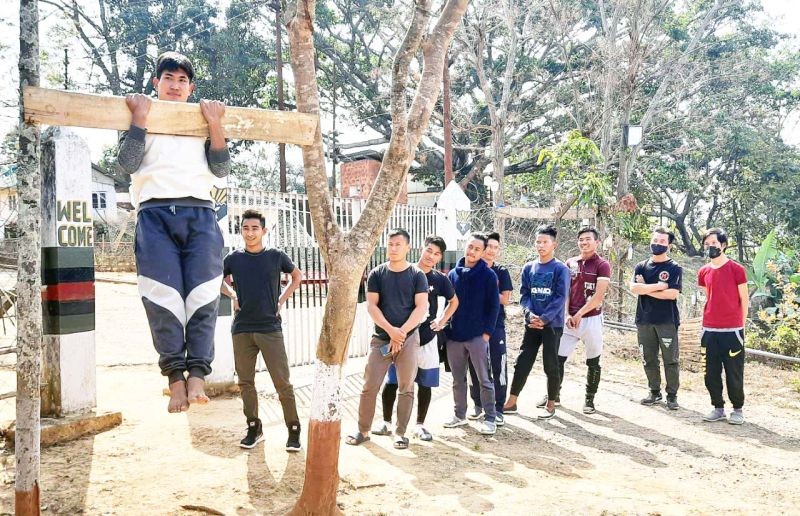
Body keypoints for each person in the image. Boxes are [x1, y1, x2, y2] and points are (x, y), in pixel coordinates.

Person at [115, 51, 229, 413]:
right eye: (169, 78)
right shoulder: (140, 112)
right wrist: (140, 118)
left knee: (203, 294)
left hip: (200, 213)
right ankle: (174, 379)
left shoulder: (202, 116)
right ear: (156, 83)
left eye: (182, 80)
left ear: (191, 87)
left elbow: (221, 168)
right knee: (161, 296)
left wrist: (215, 123)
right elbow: (127, 164)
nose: (176, 85)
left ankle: (198, 372)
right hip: (155, 214)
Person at [221, 210, 303, 450]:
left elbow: (297, 276)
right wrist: (233, 294)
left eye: (255, 228)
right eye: (246, 228)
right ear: (241, 231)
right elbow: (217, 278)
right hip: (242, 328)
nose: (250, 233)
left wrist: (281, 300)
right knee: (246, 382)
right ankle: (254, 428)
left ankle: (294, 430)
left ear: (264, 231)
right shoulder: (234, 258)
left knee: (282, 383)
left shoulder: (276, 256)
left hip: (269, 328)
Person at [346, 229, 429, 449]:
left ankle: (400, 433)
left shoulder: (417, 274)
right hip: (381, 339)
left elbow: (421, 307)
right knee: (369, 386)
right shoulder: (377, 273)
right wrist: (391, 331)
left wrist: (401, 333)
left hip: (408, 338)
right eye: (390, 244)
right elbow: (372, 306)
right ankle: (363, 430)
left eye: (398, 244)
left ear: (408, 247)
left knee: (406, 387)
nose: (393, 248)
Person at [375, 236, 458, 441]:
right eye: (429, 250)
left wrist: (441, 321)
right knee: (394, 381)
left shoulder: (440, 279)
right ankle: (386, 422)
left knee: (425, 383)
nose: (431, 256)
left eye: (437, 253)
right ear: (421, 249)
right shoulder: (406, 272)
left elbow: (453, 301)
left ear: (440, 257)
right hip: (403, 337)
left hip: (428, 338)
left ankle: (420, 425)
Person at [503, 224, 570, 419]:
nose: (541, 245)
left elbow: (560, 297)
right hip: (531, 324)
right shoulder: (529, 267)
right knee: (523, 361)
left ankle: (551, 403)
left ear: (553, 244)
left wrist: (545, 318)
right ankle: (512, 401)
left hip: (552, 325)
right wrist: (529, 315)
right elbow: (524, 295)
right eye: (538, 242)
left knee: (551, 364)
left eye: (545, 242)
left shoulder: (560, 269)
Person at [443, 233, 500, 435]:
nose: (472, 251)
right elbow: (448, 305)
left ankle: (490, 418)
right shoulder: (453, 274)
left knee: (484, 379)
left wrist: (486, 334)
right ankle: (459, 415)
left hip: (477, 337)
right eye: (470, 247)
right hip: (454, 337)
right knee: (458, 380)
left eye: (477, 249)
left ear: (483, 251)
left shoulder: (488, 275)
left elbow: (494, 307)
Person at [556, 226, 612, 414]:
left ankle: (589, 400)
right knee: (557, 358)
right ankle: (553, 394)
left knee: (593, 361)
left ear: (596, 242)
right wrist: (567, 314)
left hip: (591, 320)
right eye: (581, 239)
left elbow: (598, 296)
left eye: (588, 239)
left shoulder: (602, 264)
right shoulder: (570, 262)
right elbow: (565, 291)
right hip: (570, 320)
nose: (584, 242)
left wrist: (580, 314)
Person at [697, 228, 749, 425]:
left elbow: (744, 299)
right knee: (710, 372)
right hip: (709, 329)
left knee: (734, 371)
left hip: (732, 330)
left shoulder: (737, 269)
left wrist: (740, 326)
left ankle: (737, 409)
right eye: (707, 244)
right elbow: (707, 294)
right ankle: (717, 407)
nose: (710, 247)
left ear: (723, 245)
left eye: (714, 243)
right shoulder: (703, 271)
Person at [631, 227, 683, 410]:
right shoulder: (641, 266)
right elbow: (634, 289)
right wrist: (659, 286)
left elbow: (672, 294)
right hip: (644, 320)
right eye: (655, 240)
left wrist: (646, 288)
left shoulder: (674, 268)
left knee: (671, 359)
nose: (657, 244)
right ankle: (654, 392)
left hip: (666, 321)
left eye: (662, 241)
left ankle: (672, 395)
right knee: (648, 358)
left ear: (669, 245)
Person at [468, 232, 513, 426]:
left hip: (496, 325)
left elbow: (505, 299)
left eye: (496, 248)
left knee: (498, 364)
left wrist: (488, 290)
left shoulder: (501, 272)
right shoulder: (470, 268)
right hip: (473, 326)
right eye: (489, 247)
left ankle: (498, 408)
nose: (492, 251)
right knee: (475, 366)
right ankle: (478, 404)